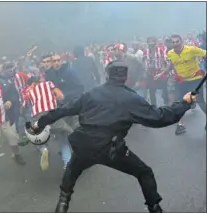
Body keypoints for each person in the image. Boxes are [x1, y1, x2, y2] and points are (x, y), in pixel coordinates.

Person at [30, 61, 197, 213]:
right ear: (126, 76)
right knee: (144, 172)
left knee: (72, 171)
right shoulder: (131, 98)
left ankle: (62, 205)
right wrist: (185, 103)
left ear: (107, 74)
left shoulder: (92, 93)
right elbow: (160, 117)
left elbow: (63, 110)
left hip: (85, 144)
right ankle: (155, 208)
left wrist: (40, 123)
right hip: (110, 148)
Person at [154, 34, 206, 135]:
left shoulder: (191, 49)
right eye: (173, 42)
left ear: (181, 41)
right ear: (171, 43)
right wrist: (161, 73)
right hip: (181, 81)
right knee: (177, 103)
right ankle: (180, 125)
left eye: (177, 42)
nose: (175, 44)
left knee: (200, 102)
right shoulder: (171, 53)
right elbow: (171, 64)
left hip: (195, 80)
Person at [21, 76, 73, 170]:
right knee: (64, 136)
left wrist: (23, 113)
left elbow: (23, 108)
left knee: (39, 138)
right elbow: (60, 95)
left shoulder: (28, 91)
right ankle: (67, 163)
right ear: (39, 81)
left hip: (37, 117)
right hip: (51, 114)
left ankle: (43, 149)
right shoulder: (48, 84)